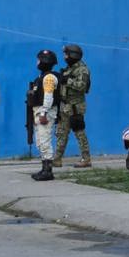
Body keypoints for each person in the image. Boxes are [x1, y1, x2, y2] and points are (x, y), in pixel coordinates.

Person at [54, 44, 92, 168]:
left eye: (66, 54)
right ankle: (57, 159)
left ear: (73, 55)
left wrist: (67, 81)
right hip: (65, 105)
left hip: (76, 106)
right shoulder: (69, 68)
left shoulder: (82, 69)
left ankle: (86, 159)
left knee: (79, 132)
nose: (65, 57)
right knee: (61, 132)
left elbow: (82, 86)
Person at [28, 49, 62, 181]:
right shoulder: (42, 77)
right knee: (40, 142)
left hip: (45, 112)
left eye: (38, 60)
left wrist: (43, 113)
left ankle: (48, 170)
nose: (37, 62)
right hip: (40, 111)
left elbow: (48, 96)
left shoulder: (48, 78)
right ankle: (44, 168)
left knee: (45, 141)